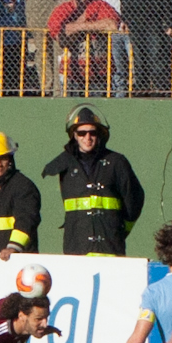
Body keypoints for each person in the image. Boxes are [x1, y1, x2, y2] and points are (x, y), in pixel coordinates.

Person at [44, 105, 146, 256]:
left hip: (110, 246)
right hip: (77, 248)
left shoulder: (116, 162)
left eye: (92, 132)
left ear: (100, 135)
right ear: (74, 135)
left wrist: (119, 229)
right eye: (81, 133)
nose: (87, 137)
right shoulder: (64, 163)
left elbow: (135, 198)